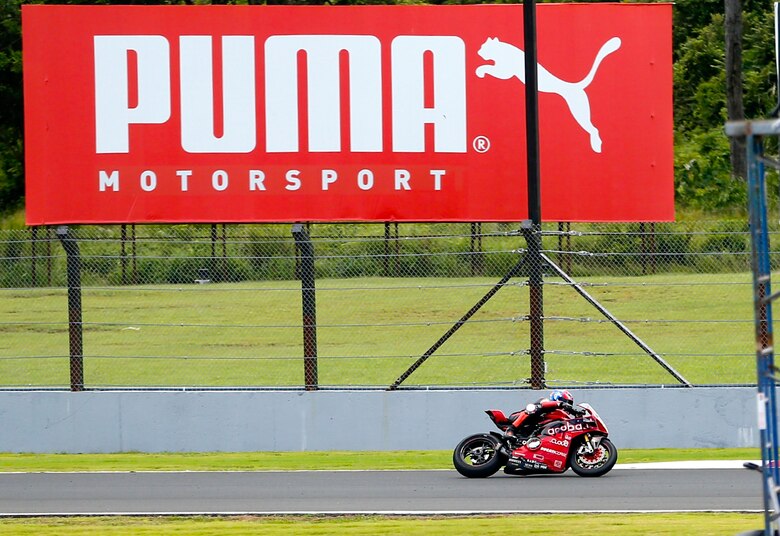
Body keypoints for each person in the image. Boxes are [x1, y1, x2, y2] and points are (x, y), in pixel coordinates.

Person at [503, 389, 587, 442]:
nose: (568, 405)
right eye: (566, 402)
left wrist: (578, 416)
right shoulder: (545, 401)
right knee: (534, 408)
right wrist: (561, 404)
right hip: (518, 419)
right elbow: (544, 405)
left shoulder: (561, 415)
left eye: (569, 404)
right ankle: (511, 430)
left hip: (533, 431)